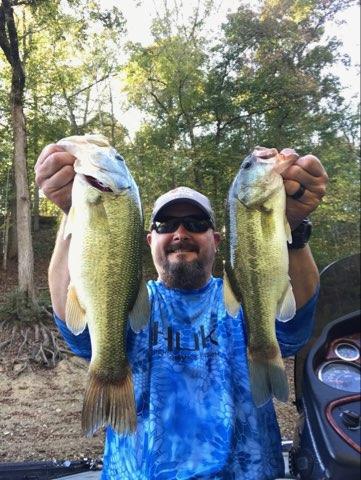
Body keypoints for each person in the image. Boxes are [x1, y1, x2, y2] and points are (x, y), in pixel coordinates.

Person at [35, 144, 327, 480]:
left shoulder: (242, 298)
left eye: (195, 222)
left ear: (216, 239)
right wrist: (72, 213)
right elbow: (80, 335)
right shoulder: (129, 301)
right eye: (166, 224)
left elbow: (292, 330)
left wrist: (294, 230)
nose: (180, 233)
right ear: (148, 240)